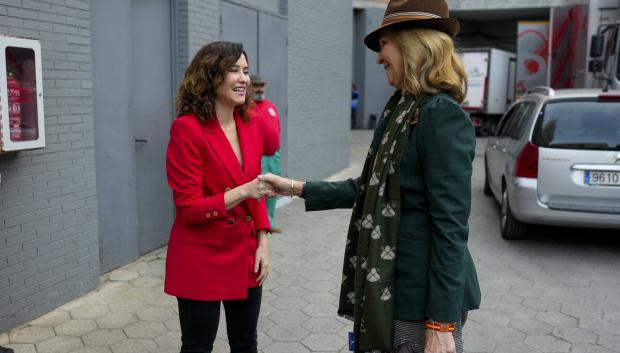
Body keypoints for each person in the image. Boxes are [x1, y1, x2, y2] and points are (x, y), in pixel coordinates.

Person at [259, 0, 481, 352]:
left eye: (384, 45)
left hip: (418, 300)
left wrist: (440, 323)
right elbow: (372, 189)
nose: (379, 58)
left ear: (414, 44)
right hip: (389, 285)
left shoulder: (440, 115)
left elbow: (451, 227)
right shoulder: (402, 108)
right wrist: (295, 188)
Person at [164, 41, 277, 353]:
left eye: (246, 71)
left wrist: (263, 241)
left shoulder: (250, 124)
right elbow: (187, 209)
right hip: (200, 256)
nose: (243, 78)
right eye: (233, 70)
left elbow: (257, 190)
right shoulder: (186, 130)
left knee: (245, 342)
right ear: (211, 77)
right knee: (198, 345)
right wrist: (243, 191)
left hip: (244, 251)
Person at [250, 74, 283, 233]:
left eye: (262, 85)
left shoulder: (270, 106)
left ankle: (269, 222)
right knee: (260, 190)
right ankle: (259, 226)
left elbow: (277, 128)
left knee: (273, 189)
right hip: (259, 157)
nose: (259, 89)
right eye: (256, 85)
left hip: (274, 156)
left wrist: (277, 148)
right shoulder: (246, 107)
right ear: (249, 88)